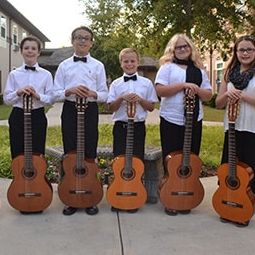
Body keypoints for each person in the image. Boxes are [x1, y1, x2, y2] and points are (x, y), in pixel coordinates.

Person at [155, 34, 213, 215]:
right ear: (172, 50)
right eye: (178, 47)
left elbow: (208, 95)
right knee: (171, 160)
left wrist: (197, 89)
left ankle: (187, 195)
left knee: (191, 159)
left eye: (185, 47)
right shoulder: (167, 68)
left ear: (190, 48)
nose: (182, 50)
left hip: (194, 120)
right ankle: (170, 196)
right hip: (171, 119)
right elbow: (160, 90)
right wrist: (183, 85)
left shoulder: (199, 70)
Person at [53, 26, 108, 215]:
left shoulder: (98, 66)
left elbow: (104, 94)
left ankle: (90, 195)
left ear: (91, 42)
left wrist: (92, 93)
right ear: (72, 41)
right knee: (70, 150)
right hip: (70, 109)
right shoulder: (64, 66)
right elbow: (55, 93)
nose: (83, 41)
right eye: (79, 37)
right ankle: (71, 197)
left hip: (90, 110)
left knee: (89, 150)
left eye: (86, 38)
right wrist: (69, 91)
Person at [215, 35, 255, 199]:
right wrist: (227, 94)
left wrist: (243, 96)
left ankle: (244, 209)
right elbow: (219, 103)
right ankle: (227, 205)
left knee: (250, 174)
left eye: (249, 49)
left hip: (254, 130)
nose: (245, 53)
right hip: (233, 129)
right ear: (236, 52)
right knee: (230, 173)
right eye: (241, 50)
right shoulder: (229, 74)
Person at [107, 47, 158, 212]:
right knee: (119, 162)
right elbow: (110, 108)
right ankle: (118, 194)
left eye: (132, 61)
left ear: (138, 63)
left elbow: (151, 107)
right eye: (125, 61)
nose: (129, 64)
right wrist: (121, 98)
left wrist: (140, 99)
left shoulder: (146, 83)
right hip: (121, 128)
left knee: (136, 162)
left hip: (137, 127)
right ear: (121, 63)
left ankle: (134, 193)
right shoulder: (116, 84)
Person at [3, 35, 53, 160]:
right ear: (21, 51)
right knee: (17, 151)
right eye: (26, 48)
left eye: (33, 48)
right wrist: (18, 92)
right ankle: (19, 178)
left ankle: (36, 179)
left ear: (38, 52)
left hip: (37, 116)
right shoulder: (14, 74)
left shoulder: (46, 75)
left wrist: (37, 96)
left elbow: (51, 99)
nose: (29, 51)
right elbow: (7, 100)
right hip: (18, 116)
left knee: (37, 152)